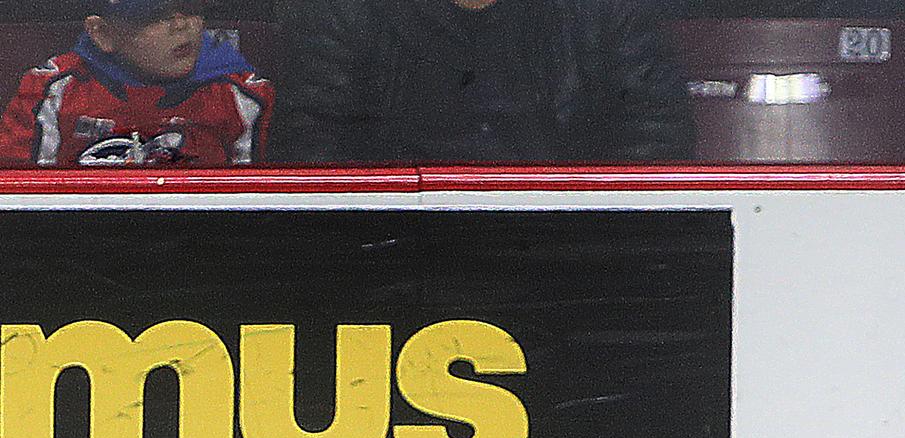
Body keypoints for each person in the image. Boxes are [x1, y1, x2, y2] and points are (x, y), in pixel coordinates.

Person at [272, 0, 693, 165]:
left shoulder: (607, 11)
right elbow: (310, 155)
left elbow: (656, 141)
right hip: (395, 261)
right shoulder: (342, 12)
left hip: (565, 258)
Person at [0, 0, 272, 167]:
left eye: (190, 7)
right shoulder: (54, 91)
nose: (181, 26)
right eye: (155, 14)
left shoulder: (241, 96)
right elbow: (19, 203)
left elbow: (255, 212)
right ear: (103, 33)